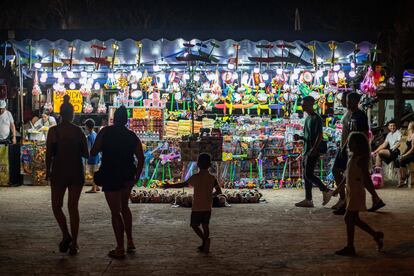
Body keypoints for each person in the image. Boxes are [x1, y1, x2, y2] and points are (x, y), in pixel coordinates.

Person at [91, 106, 144, 259]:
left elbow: (93, 151)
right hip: (127, 174)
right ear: (126, 120)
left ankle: (120, 247)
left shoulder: (105, 132)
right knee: (125, 207)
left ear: (114, 118)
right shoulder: (131, 135)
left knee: (116, 212)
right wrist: (137, 177)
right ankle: (130, 241)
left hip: (110, 174)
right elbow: (141, 158)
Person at [46, 95, 89, 256]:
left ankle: (66, 234)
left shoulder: (53, 131)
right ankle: (74, 243)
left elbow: (48, 155)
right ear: (72, 115)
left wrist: (47, 170)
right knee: (73, 207)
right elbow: (86, 154)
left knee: (57, 206)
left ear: (60, 114)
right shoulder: (78, 132)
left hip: (58, 172)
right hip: (76, 172)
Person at [332, 92, 385, 215]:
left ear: (356, 101)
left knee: (357, 175)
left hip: (356, 150)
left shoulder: (360, 115)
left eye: (349, 100)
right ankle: (375, 199)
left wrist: (360, 153)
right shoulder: (351, 114)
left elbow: (364, 135)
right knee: (361, 176)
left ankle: (346, 202)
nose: (346, 103)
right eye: (346, 100)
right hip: (348, 149)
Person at [335, 132, 384, 256]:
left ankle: (350, 246)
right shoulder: (352, 157)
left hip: (357, 192)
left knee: (348, 218)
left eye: (351, 142)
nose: (348, 144)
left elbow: (366, 179)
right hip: (351, 192)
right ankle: (376, 235)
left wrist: (374, 194)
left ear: (358, 144)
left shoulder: (361, 159)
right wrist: (338, 189)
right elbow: (347, 175)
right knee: (354, 219)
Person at [164, 153, 222, 253]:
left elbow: (183, 184)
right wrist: (210, 196)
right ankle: (204, 243)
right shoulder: (213, 178)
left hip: (197, 207)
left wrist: (170, 186)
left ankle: (204, 240)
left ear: (198, 164)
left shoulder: (195, 177)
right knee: (205, 225)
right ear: (209, 165)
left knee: (194, 225)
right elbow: (219, 192)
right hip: (208, 206)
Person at [294, 96, 333, 208]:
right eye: (302, 104)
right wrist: (300, 137)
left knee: (308, 174)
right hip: (307, 150)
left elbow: (319, 136)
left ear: (311, 104)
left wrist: (314, 149)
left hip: (312, 150)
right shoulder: (308, 118)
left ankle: (325, 190)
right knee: (306, 175)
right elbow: (309, 136)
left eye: (304, 104)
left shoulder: (317, 118)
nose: (302, 106)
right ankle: (308, 199)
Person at [84, 119, 101, 193]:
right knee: (95, 171)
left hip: (92, 157)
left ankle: (93, 188)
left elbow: (88, 149)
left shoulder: (89, 137)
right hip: (97, 156)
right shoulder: (95, 134)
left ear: (87, 127)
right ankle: (96, 186)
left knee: (93, 173)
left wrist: (86, 157)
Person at [397, 121, 414, 187]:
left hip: (413, 154)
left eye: (409, 125)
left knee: (402, 160)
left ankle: (404, 178)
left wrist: (404, 155)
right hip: (409, 153)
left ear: (412, 126)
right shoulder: (409, 134)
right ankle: (402, 179)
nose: (408, 126)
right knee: (397, 160)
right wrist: (402, 153)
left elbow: (412, 149)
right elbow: (407, 147)